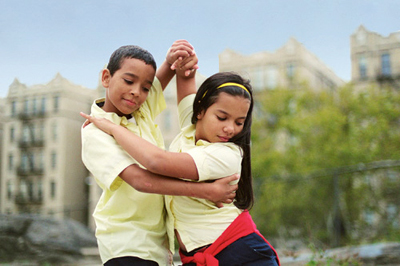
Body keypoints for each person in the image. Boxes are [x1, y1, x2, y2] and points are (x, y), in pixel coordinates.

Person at [81, 52, 280, 265]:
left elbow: (156, 161)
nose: (230, 128)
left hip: (238, 250)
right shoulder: (188, 129)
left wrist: (112, 128)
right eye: (222, 117)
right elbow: (183, 79)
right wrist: (181, 59)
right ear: (200, 110)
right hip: (129, 243)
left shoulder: (227, 154)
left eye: (239, 122)